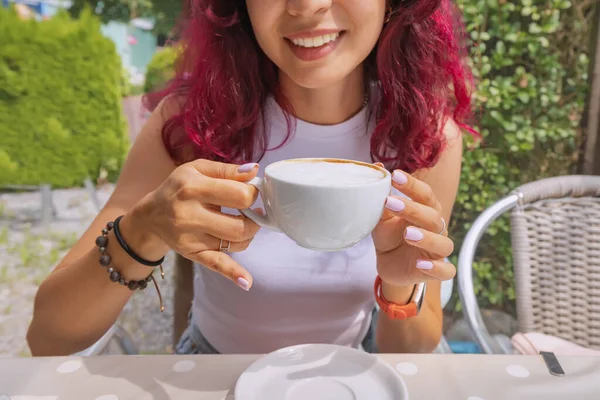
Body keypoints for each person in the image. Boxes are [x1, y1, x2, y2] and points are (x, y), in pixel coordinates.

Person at [27, 0, 475, 356]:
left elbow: (412, 348)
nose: (306, 5)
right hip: (209, 368)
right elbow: (49, 337)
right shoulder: (192, 124)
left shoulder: (424, 140)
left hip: (342, 372)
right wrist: (143, 230)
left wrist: (399, 285)